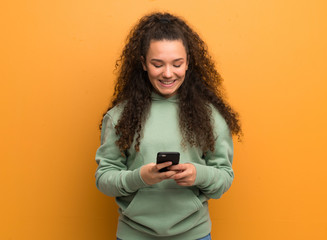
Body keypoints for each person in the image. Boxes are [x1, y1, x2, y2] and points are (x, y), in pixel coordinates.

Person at [95, 12, 241, 240]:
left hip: (194, 235)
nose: (168, 73)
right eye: (157, 64)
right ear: (143, 63)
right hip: (134, 235)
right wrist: (140, 177)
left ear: (188, 62)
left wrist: (198, 174)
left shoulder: (210, 116)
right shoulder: (119, 117)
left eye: (177, 64)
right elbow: (104, 179)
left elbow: (224, 178)